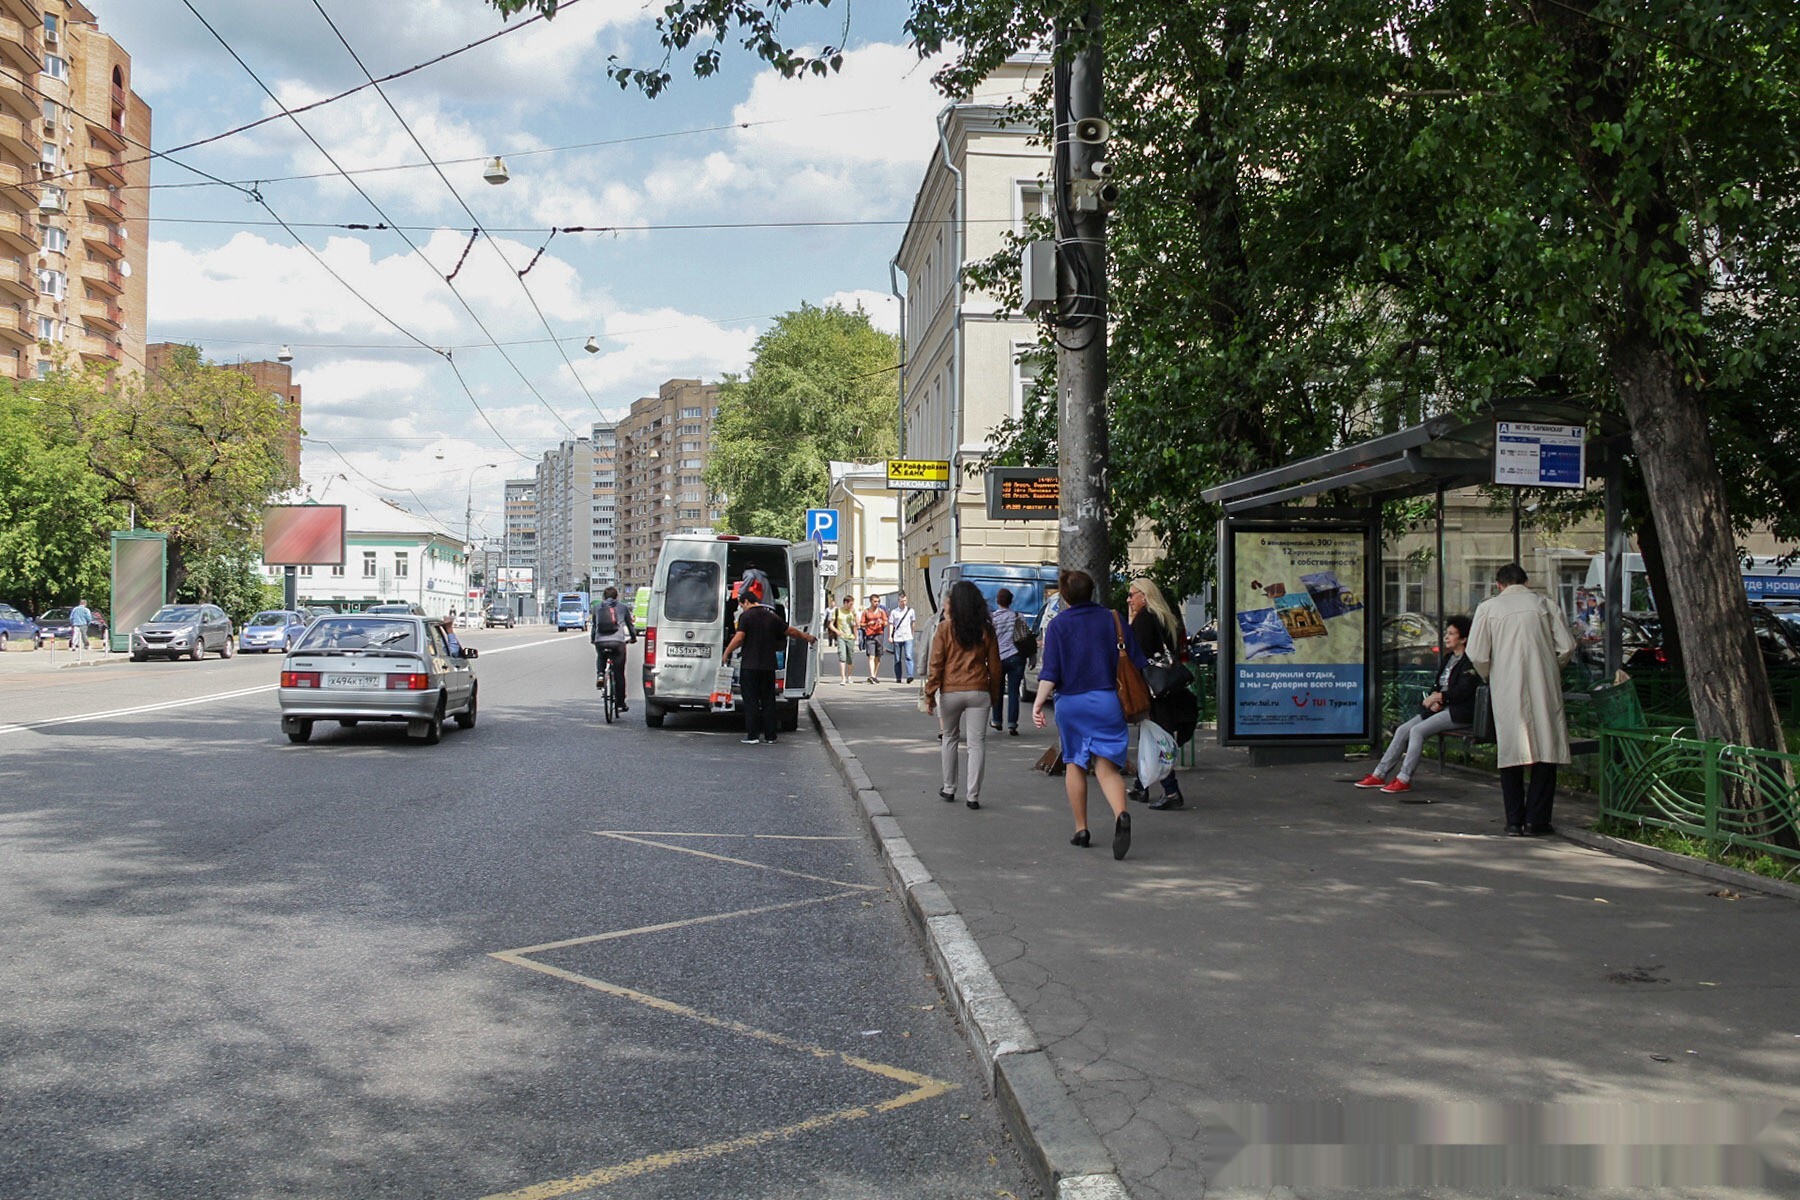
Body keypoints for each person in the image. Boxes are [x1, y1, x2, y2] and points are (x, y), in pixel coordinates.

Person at [1031, 569, 1147, 860]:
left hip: (1071, 704)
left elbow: (1051, 672)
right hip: (1107, 700)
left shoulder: (1058, 625)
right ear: (1092, 590)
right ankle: (1121, 813)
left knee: (1075, 763)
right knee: (1106, 767)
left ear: (1065, 596)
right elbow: (1136, 660)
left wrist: (1037, 704)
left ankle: (1081, 829)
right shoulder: (1114, 619)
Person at [1466, 564, 1575, 836]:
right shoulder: (1544, 605)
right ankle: (1537, 820)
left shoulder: (1488, 608)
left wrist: (1493, 674)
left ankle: (1514, 821)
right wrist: (1552, 666)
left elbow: (1477, 653)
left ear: (1499, 584)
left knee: (1511, 752)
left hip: (1507, 686)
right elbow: (1567, 646)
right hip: (1544, 683)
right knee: (1546, 749)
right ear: (1526, 582)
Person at [1355, 614, 1477, 798]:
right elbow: (1437, 685)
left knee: (1417, 731)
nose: (1446, 637)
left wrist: (1440, 697)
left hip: (1458, 712)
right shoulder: (1448, 658)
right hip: (1441, 708)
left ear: (1463, 638)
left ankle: (1404, 778)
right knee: (1403, 729)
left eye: (1451, 634)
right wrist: (1435, 699)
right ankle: (1379, 774)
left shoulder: (1469, 661)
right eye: (1447, 632)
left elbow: (1463, 691)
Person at [925, 581, 1002, 810]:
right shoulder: (986, 628)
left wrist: (930, 693)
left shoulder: (945, 628)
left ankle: (949, 788)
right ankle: (973, 795)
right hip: (979, 691)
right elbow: (996, 666)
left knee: (949, 738)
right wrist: (994, 695)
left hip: (950, 692)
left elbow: (936, 664)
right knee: (977, 744)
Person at [723, 572, 817, 744]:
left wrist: (726, 653)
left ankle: (752, 736)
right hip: (768, 666)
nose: (742, 608)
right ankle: (770, 736)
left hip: (750, 666)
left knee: (751, 700)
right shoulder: (772, 616)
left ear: (746, 602)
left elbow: (739, 638)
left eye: (742, 605)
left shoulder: (746, 616)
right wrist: (806, 637)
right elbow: (790, 631)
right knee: (768, 700)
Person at [1125, 577, 1194, 810]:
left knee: (1157, 738)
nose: (1129, 599)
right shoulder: (1165, 617)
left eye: (1132, 594)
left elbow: (1138, 654)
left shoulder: (1144, 619)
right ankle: (1140, 786)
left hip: (1154, 688)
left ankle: (1172, 792)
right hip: (1167, 686)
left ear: (1144, 595)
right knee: (1150, 734)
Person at [588, 586, 637, 712]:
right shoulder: (623, 607)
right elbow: (630, 626)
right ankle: (620, 703)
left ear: (603, 597)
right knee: (619, 673)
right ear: (616, 597)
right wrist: (633, 638)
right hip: (618, 642)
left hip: (601, 641)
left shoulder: (597, 608)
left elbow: (594, 626)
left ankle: (600, 675)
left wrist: (593, 639)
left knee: (601, 655)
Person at [989, 588, 1027, 736]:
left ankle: (997, 721)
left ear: (998, 601)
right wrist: (1031, 657)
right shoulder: (1019, 616)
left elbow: (989, 640)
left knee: (997, 690)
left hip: (998, 658)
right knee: (1013, 692)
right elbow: (1025, 638)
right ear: (1011, 601)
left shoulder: (992, 619)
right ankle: (1012, 724)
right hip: (1016, 656)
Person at [888, 593, 919, 683]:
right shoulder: (894, 612)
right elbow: (891, 624)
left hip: (907, 637)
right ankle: (898, 677)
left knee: (908, 656)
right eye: (902, 601)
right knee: (897, 659)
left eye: (905, 601)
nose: (904, 603)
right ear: (898, 601)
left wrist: (913, 634)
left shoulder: (911, 611)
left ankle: (910, 675)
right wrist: (890, 636)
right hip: (897, 637)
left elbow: (913, 623)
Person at [827, 595, 858, 683]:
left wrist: (854, 614)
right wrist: (837, 631)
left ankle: (849, 676)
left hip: (851, 637)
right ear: (845, 603)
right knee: (842, 657)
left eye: (852, 604)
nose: (851, 606)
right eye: (850, 604)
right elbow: (831, 624)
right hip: (841, 637)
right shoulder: (837, 611)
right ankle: (843, 678)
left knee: (850, 658)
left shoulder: (852, 612)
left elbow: (858, 624)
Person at [859, 596, 888, 683]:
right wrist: (868, 623)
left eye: (878, 601)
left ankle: (874, 675)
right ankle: (872, 675)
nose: (877, 603)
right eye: (875, 601)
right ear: (871, 602)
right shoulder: (866, 612)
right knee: (871, 656)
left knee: (878, 657)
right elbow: (861, 624)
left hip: (879, 634)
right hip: (870, 636)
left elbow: (886, 622)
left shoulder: (881, 612)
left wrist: (882, 622)